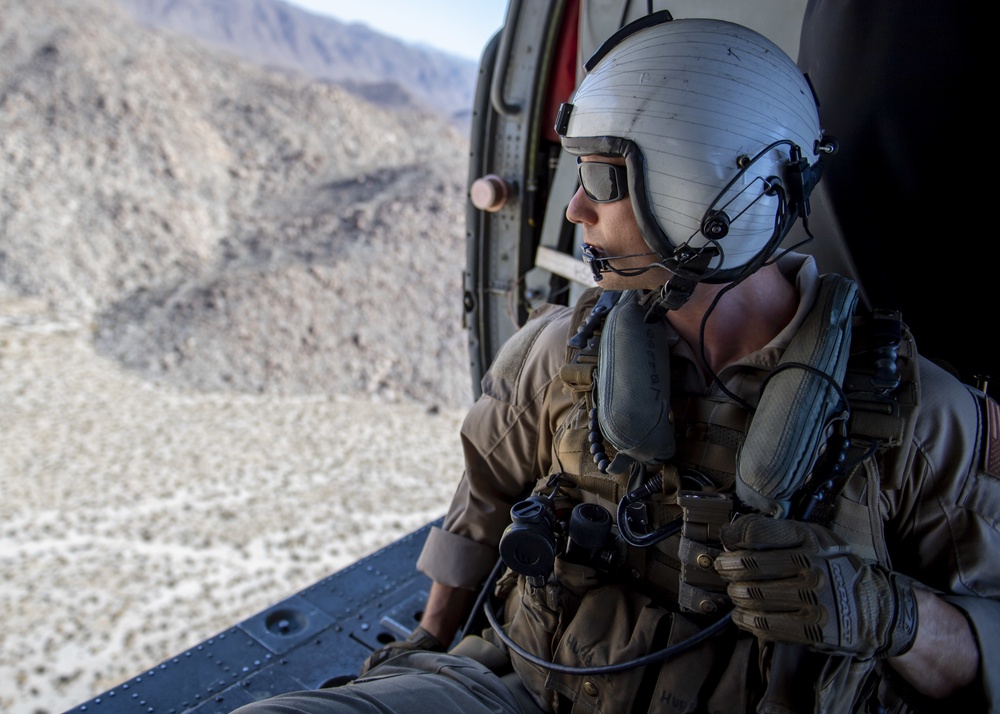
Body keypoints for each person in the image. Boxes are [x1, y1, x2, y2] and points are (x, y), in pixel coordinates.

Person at [235, 15, 998, 713]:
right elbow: (486, 499)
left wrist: (897, 617)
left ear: (711, 191)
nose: (575, 211)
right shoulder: (559, 350)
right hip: (529, 686)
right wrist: (423, 656)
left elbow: (989, 657)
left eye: (602, 180)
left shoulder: (918, 418)